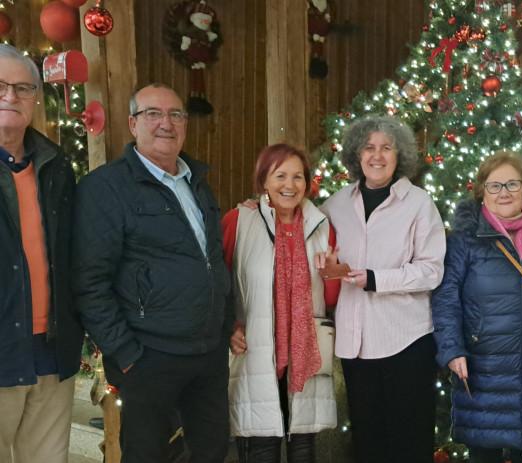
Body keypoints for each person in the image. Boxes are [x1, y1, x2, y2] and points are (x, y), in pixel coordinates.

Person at [71, 83, 232, 463]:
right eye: (153, 114)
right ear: (132, 123)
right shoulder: (106, 188)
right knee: (147, 455)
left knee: (210, 450)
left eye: (175, 114)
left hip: (207, 354)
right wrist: (126, 354)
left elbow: (212, 261)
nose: (166, 123)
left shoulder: (196, 182)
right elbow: (89, 282)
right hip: (148, 356)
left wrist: (225, 325)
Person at [318, 116, 446, 463]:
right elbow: (299, 225)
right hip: (355, 345)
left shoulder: (420, 203)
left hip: (406, 341)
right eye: (369, 147)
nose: (377, 155)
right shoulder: (335, 204)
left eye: (386, 147)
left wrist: (375, 279)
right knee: (368, 441)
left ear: (399, 154)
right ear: (356, 155)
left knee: (409, 441)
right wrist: (261, 204)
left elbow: (431, 271)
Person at [432, 151, 522, 463]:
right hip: (482, 369)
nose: (503, 192)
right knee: (485, 452)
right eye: (494, 186)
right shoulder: (464, 239)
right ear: (481, 192)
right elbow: (445, 298)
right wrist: (452, 350)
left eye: (512, 184)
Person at [223, 143, 338, 462]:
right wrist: (228, 327)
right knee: (262, 445)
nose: (290, 185)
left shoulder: (321, 226)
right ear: (264, 181)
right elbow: (218, 283)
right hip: (256, 351)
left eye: (298, 176)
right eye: (280, 175)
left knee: (303, 446)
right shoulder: (240, 221)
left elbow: (330, 300)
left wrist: (331, 275)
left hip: (304, 354)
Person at [0, 43, 84, 463]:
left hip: (52, 349)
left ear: (35, 97)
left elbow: (74, 254)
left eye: (21, 87)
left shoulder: (56, 165)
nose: (10, 96)